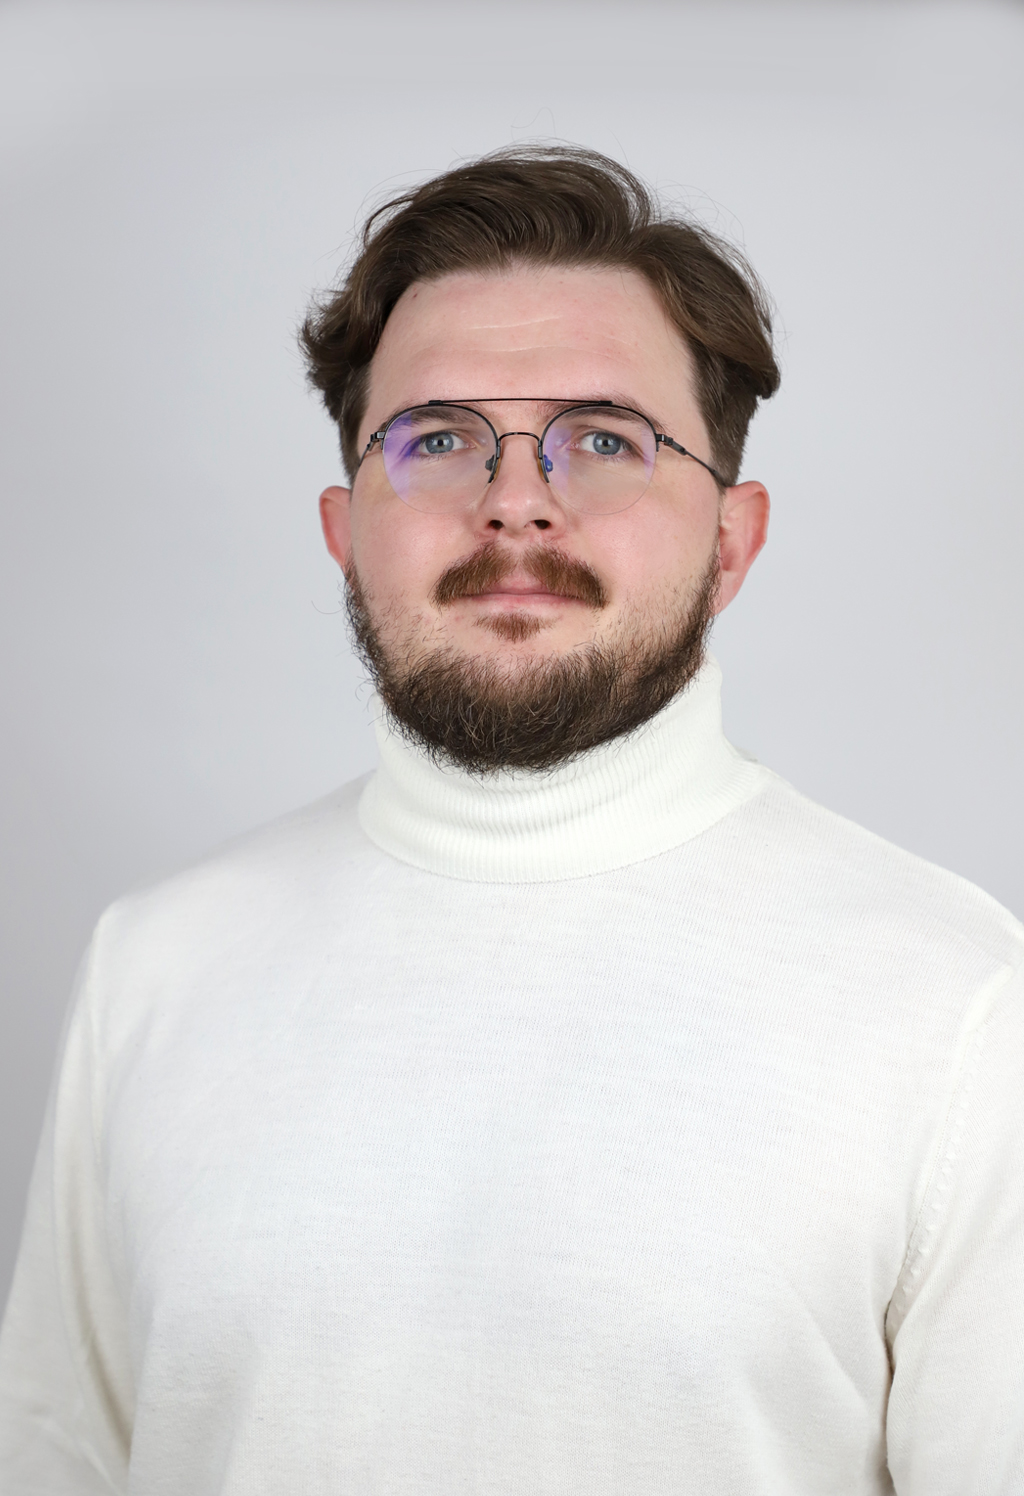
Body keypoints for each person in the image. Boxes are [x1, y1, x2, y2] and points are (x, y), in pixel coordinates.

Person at [0, 145, 1021, 1496]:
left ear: (732, 540)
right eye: (437, 440)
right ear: (344, 530)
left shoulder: (957, 998)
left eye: (604, 440)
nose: (516, 500)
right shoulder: (153, 964)